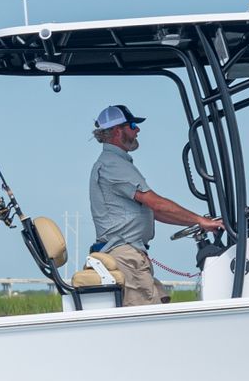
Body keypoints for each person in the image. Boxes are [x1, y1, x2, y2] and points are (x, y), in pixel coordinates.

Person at [87, 104, 222, 307]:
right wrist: (200, 220)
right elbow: (156, 203)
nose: (138, 130)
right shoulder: (114, 165)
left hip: (131, 254)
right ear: (117, 131)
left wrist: (199, 222)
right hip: (126, 258)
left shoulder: (117, 163)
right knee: (146, 322)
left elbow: (154, 211)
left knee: (162, 304)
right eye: (133, 125)